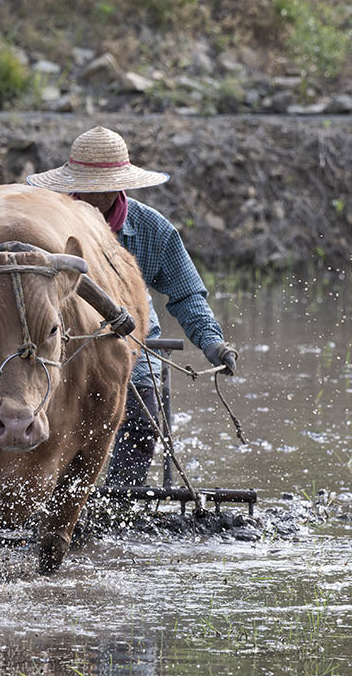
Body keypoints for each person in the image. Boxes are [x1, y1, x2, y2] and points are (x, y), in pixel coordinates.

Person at [27, 127, 237, 487]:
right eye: (86, 185)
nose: (94, 195)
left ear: (118, 185)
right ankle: (51, 495)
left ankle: (118, 503)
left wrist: (212, 342)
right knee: (45, 418)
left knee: (142, 420)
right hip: (61, 345)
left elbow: (186, 295)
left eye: (103, 185)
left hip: (132, 346)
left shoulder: (152, 230)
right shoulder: (47, 226)